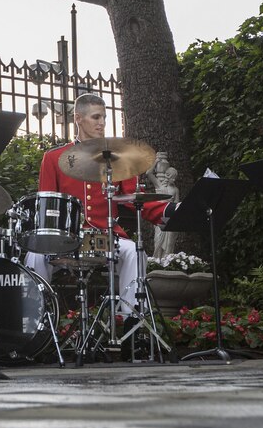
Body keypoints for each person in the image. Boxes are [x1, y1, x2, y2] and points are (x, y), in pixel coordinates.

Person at [24, 93, 176, 325]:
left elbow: (136, 199)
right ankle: (39, 322)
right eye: (96, 117)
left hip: (106, 237)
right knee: (35, 255)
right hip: (68, 239)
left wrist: (168, 211)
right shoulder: (53, 158)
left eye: (104, 117)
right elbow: (48, 206)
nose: (102, 123)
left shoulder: (117, 159)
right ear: (78, 118)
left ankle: (128, 321)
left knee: (135, 253)